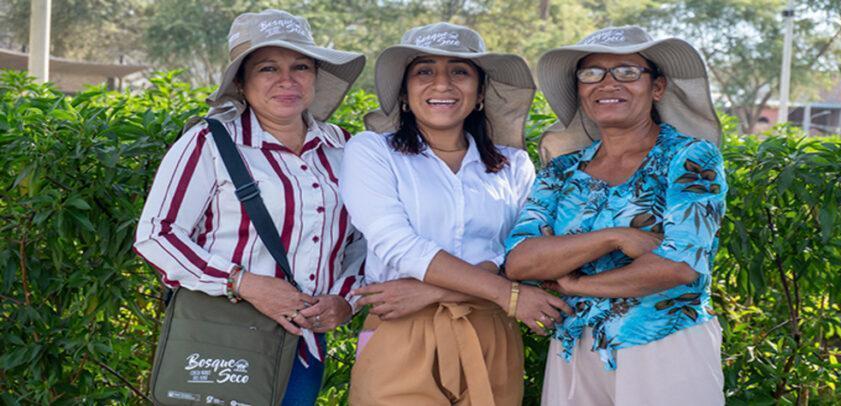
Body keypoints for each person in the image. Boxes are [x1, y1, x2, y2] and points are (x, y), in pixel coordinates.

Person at [134, 9, 366, 405]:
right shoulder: (210, 143)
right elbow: (157, 235)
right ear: (241, 81)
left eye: (301, 66)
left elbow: (363, 241)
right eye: (268, 68)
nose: (287, 80)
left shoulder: (345, 149)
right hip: (221, 338)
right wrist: (244, 283)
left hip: (303, 345)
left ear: (315, 75)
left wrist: (346, 300)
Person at [340, 22, 571, 405]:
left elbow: (522, 254)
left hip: (490, 330)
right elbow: (398, 245)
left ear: (480, 93)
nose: (442, 84)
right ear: (403, 93)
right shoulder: (372, 152)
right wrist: (506, 293)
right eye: (424, 71)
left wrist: (433, 290)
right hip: (401, 330)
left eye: (459, 71)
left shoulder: (514, 165)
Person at [505, 26, 727, 405]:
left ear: (657, 87)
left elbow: (679, 266)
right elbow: (520, 260)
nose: (608, 83)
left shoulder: (689, 158)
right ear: (580, 89)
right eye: (592, 73)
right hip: (576, 346)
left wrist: (577, 285)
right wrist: (614, 237)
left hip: (664, 341)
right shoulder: (562, 171)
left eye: (626, 71)